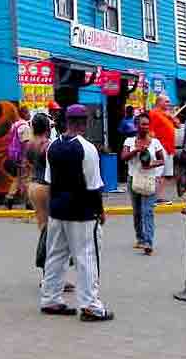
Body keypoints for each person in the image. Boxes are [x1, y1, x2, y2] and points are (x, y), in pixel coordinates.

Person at [40, 104, 113, 322]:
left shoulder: (52, 146)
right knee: (87, 257)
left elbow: (49, 182)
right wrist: (100, 211)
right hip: (82, 212)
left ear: (66, 121)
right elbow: (94, 186)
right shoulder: (87, 148)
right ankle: (90, 306)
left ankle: (50, 299)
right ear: (84, 122)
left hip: (57, 210)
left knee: (55, 255)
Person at [121, 113, 165, 255]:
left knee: (148, 211)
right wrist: (136, 150)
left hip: (149, 179)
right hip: (134, 179)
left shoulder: (155, 142)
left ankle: (148, 242)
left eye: (147, 124)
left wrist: (151, 165)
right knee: (137, 211)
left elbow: (162, 160)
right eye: (142, 124)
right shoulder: (129, 141)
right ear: (136, 126)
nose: (145, 127)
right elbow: (123, 157)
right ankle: (140, 238)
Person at [148, 95, 180, 205]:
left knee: (166, 174)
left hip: (169, 147)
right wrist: (153, 147)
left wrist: (171, 116)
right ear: (159, 102)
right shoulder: (153, 113)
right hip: (160, 147)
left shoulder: (167, 114)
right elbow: (151, 131)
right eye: (166, 102)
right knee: (157, 174)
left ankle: (159, 197)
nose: (168, 104)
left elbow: (178, 125)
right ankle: (152, 197)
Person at [25, 113, 52, 230]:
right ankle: (45, 248)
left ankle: (43, 247)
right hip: (45, 186)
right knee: (50, 226)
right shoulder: (47, 145)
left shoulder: (29, 144)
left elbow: (29, 163)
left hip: (33, 186)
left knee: (42, 224)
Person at [5, 106, 33, 210]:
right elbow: (26, 143)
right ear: (24, 113)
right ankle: (29, 202)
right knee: (27, 179)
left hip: (15, 156)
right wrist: (26, 159)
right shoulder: (24, 127)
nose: (30, 114)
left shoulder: (15, 125)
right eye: (28, 112)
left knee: (18, 178)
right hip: (23, 156)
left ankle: (9, 197)